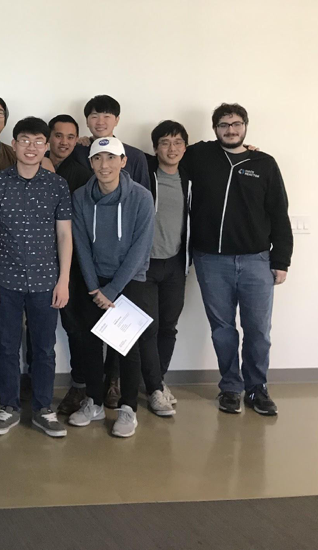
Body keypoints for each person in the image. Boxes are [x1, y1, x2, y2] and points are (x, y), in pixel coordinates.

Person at [184, 103, 292, 416]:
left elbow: (279, 214)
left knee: (258, 331)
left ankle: (257, 388)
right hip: (211, 261)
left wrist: (281, 260)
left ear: (245, 126)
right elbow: (165, 154)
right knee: (222, 330)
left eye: (236, 124)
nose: (230, 130)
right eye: (223, 125)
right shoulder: (200, 156)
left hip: (256, 261)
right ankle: (230, 387)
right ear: (214, 128)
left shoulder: (264, 163)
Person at [0, 117, 73, 438]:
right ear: (14, 144)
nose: (31, 148)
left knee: (44, 349)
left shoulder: (57, 185)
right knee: (6, 347)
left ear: (46, 146)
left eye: (37, 142)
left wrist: (64, 280)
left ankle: (44, 409)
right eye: (24, 141)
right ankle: (8, 407)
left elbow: (64, 235)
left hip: (46, 281)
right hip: (4, 279)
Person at [69, 137, 155, 438]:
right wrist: (95, 287)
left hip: (129, 281)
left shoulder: (141, 197)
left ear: (123, 161)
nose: (104, 165)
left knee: (127, 346)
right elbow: (80, 244)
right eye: (97, 158)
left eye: (110, 158)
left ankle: (128, 408)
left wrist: (113, 289)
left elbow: (140, 249)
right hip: (94, 282)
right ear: (90, 163)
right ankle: (93, 402)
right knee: (89, 344)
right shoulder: (80, 196)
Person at [139, 120, 193, 417]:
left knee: (168, 327)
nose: (172, 148)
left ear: (185, 147)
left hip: (175, 263)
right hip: (145, 264)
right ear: (155, 148)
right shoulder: (144, 174)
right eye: (165, 142)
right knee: (148, 327)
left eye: (177, 142)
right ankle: (155, 388)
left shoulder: (190, 177)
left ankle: (157, 382)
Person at [46, 114, 92, 416]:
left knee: (75, 326)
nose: (64, 142)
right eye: (58, 135)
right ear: (48, 137)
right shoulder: (33, 164)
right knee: (37, 326)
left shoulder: (83, 173)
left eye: (70, 137)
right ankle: (35, 379)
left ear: (77, 140)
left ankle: (80, 384)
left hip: (72, 264)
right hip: (36, 260)